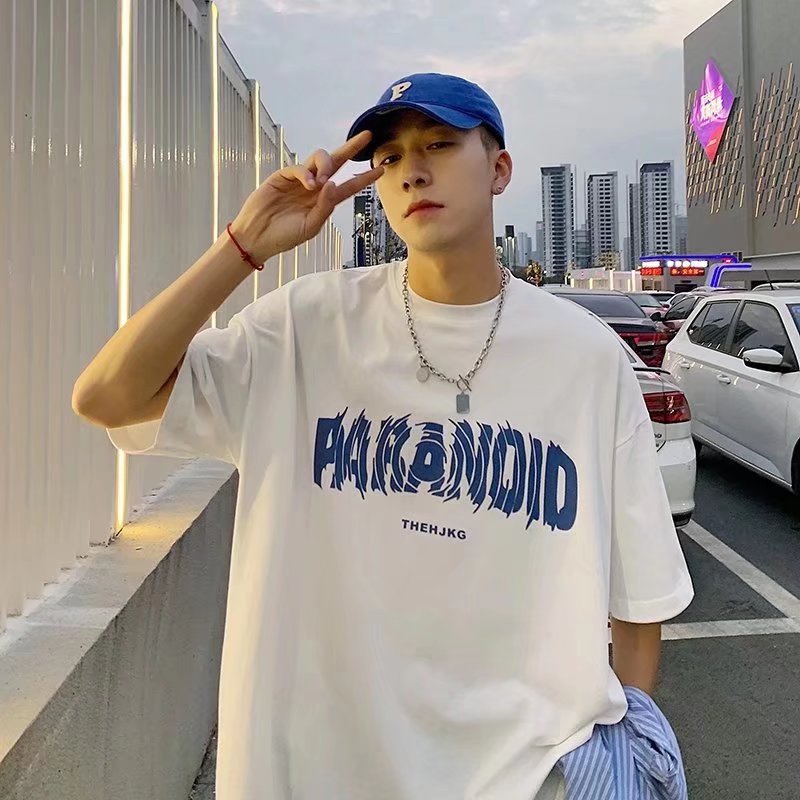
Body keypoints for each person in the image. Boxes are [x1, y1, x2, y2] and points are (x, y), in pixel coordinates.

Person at [72, 73, 694, 800]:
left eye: (440, 144)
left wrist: (623, 759)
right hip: (315, 773)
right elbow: (107, 396)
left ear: (499, 169)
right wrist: (242, 246)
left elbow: (638, 598)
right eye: (390, 157)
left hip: (526, 777)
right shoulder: (304, 329)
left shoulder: (585, 358)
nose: (412, 171)